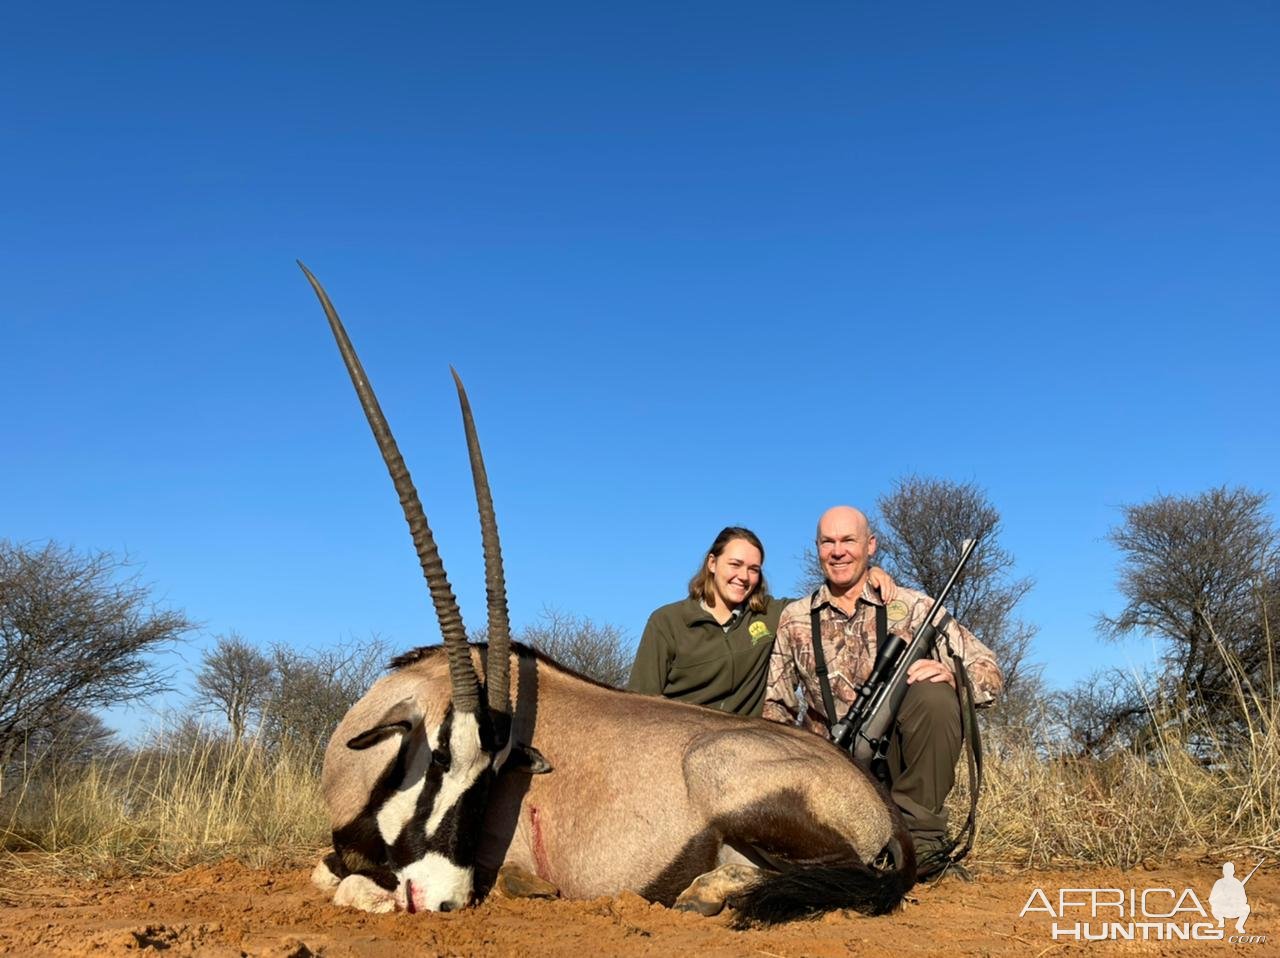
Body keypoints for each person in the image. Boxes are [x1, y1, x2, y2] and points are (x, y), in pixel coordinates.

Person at [761, 506, 1002, 877]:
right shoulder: (794, 617)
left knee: (934, 694)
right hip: (827, 770)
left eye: (848, 540)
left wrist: (955, 675)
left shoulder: (913, 606)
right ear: (818, 548)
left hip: (896, 767)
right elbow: (775, 706)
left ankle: (923, 844)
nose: (838, 551)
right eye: (828, 542)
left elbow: (988, 671)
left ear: (870, 545)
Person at [628, 525, 895, 717]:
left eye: (753, 569)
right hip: (681, 744)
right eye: (735, 564)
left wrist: (867, 573)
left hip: (747, 748)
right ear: (712, 563)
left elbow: (823, 601)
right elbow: (640, 704)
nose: (743, 576)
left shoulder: (772, 614)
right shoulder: (667, 621)